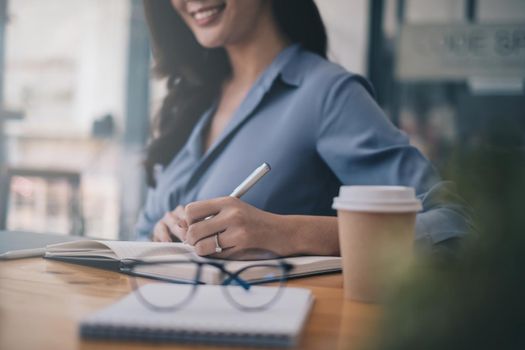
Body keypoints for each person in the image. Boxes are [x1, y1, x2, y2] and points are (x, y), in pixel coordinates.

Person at [137, 0, 471, 258]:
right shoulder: (188, 104)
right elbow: (136, 236)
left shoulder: (327, 95)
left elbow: (454, 225)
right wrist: (159, 236)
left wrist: (288, 233)